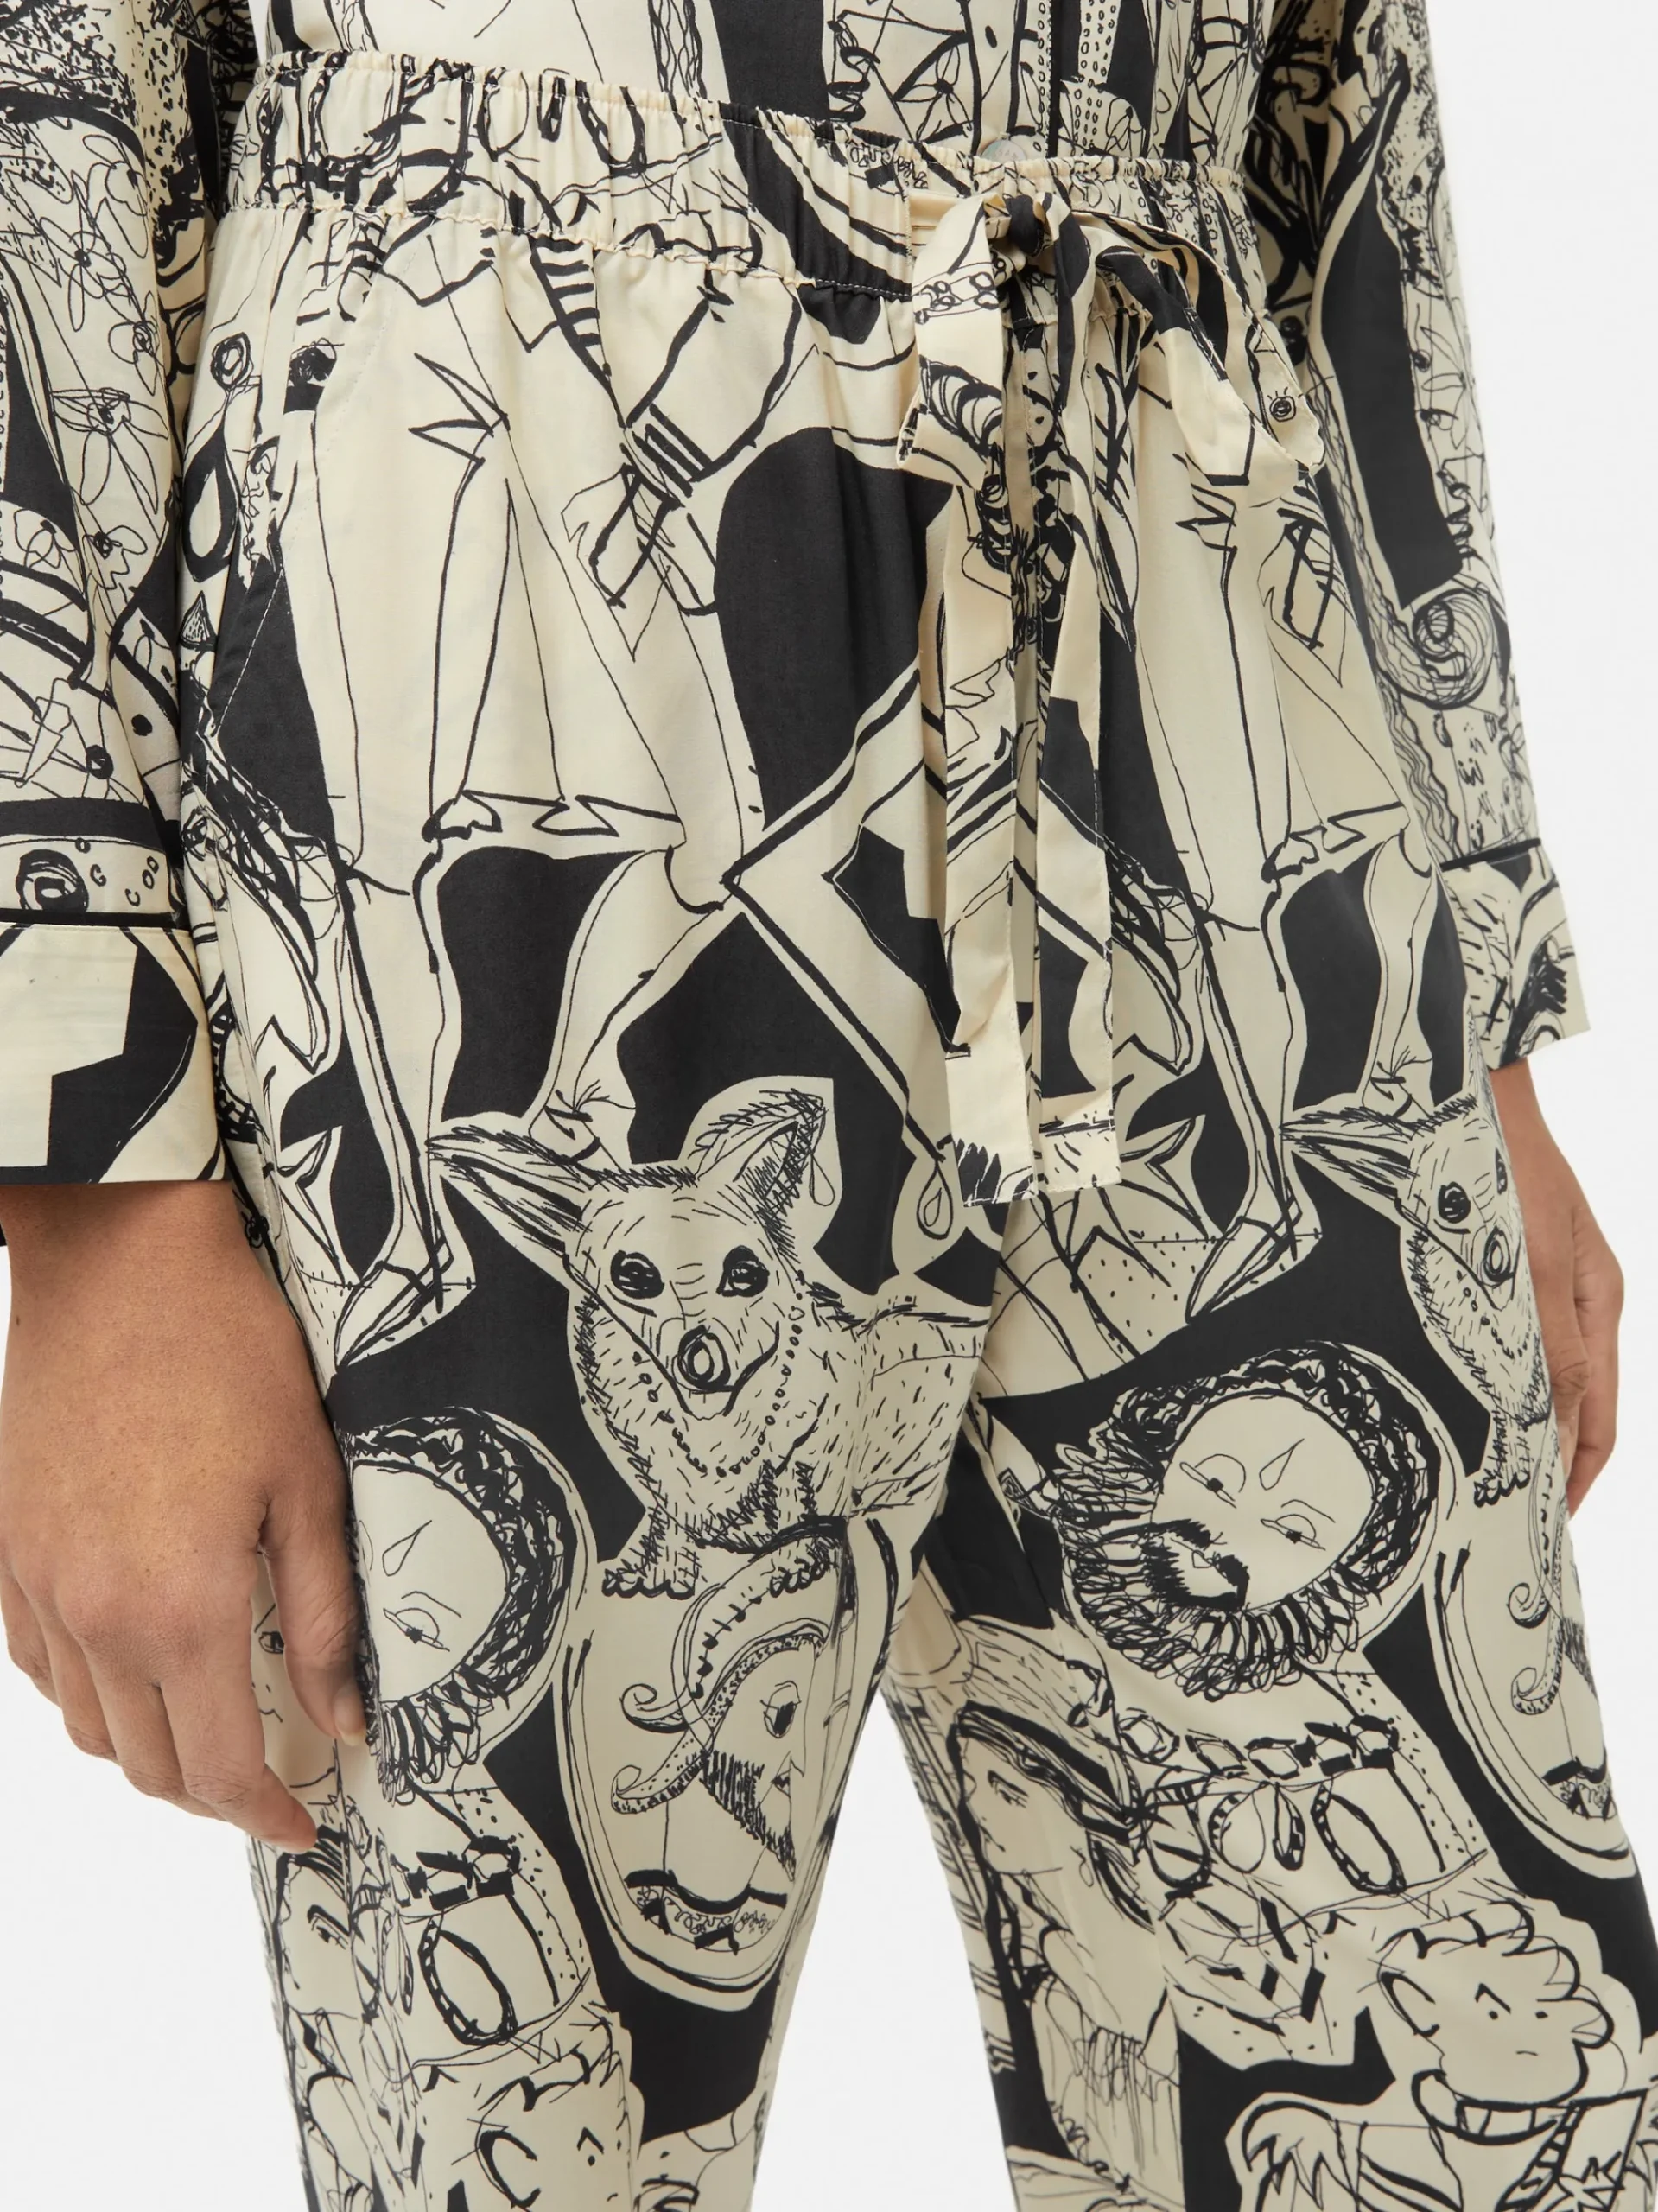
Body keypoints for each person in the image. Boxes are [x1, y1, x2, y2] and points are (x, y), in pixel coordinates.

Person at [0, 3, 1646, 2209]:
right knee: (522, 2131)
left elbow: (1351, 191)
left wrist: (1475, 1026)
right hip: (511, 743)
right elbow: (45, 165)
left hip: (1225, 741)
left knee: (1463, 2084)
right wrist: (96, 1205)